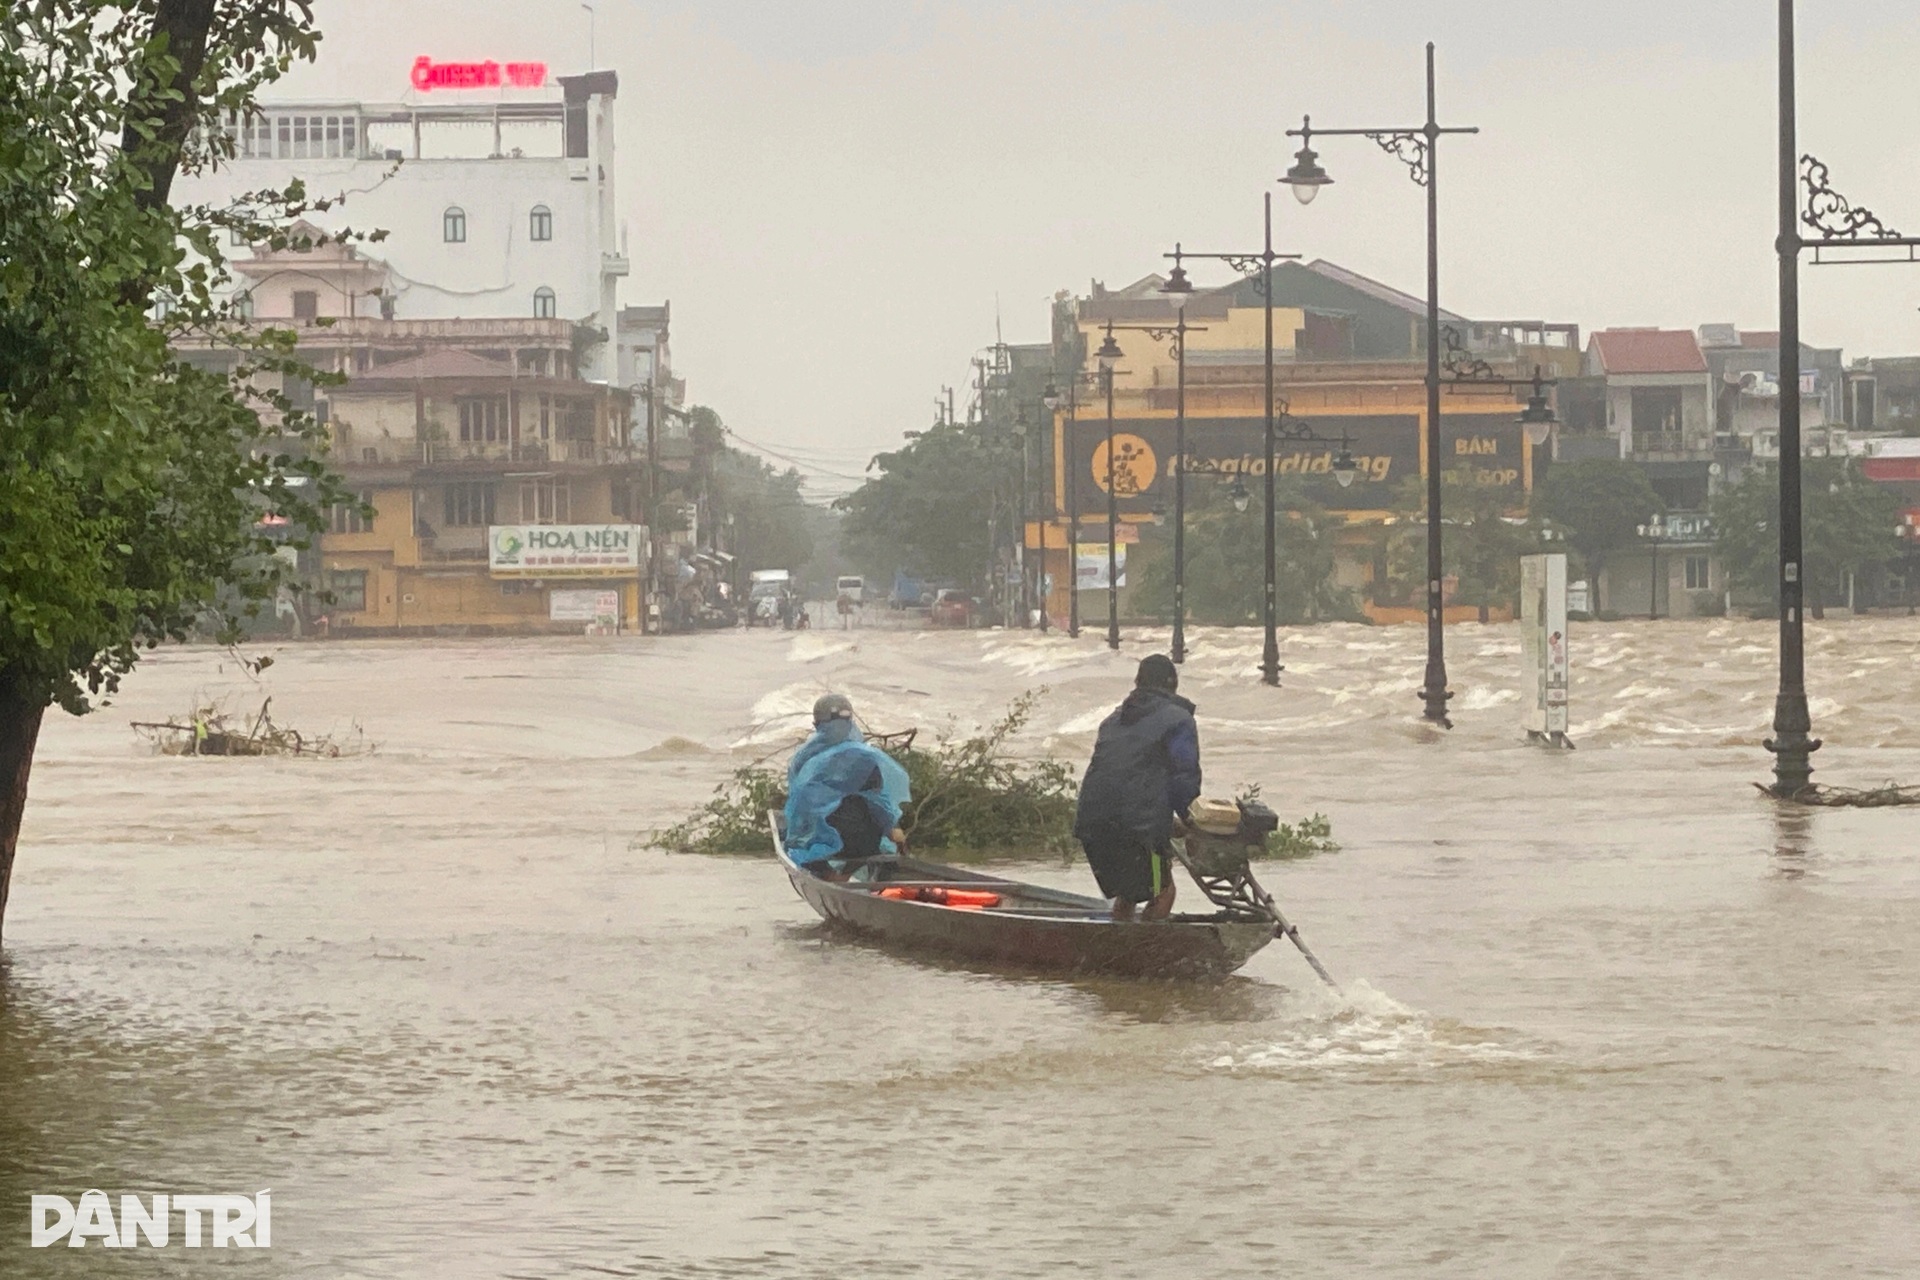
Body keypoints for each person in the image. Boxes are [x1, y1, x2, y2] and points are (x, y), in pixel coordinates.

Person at [1073, 654, 1201, 921]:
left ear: (1137, 682)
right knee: (1163, 892)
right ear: (1173, 684)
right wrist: (1190, 819)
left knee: (1128, 893)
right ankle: (1145, 946)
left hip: (1092, 825)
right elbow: (1183, 778)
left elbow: (1122, 777)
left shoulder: (1112, 720)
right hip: (1139, 830)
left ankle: (1118, 941)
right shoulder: (1179, 720)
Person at [783, 693, 911, 876]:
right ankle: (847, 874)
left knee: (807, 837)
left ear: (816, 724)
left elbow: (799, 810)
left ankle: (831, 875)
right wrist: (894, 829)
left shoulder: (804, 759)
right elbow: (880, 802)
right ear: (850, 723)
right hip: (865, 844)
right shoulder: (865, 757)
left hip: (822, 845)